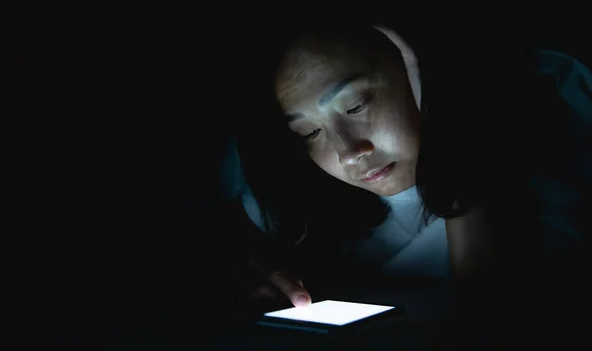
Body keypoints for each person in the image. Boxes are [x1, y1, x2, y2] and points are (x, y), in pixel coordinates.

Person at [218, 16, 591, 311]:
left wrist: (450, 140)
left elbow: (493, 307)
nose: (348, 152)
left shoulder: (550, 157)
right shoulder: (290, 205)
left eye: (356, 106)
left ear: (411, 66)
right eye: (310, 133)